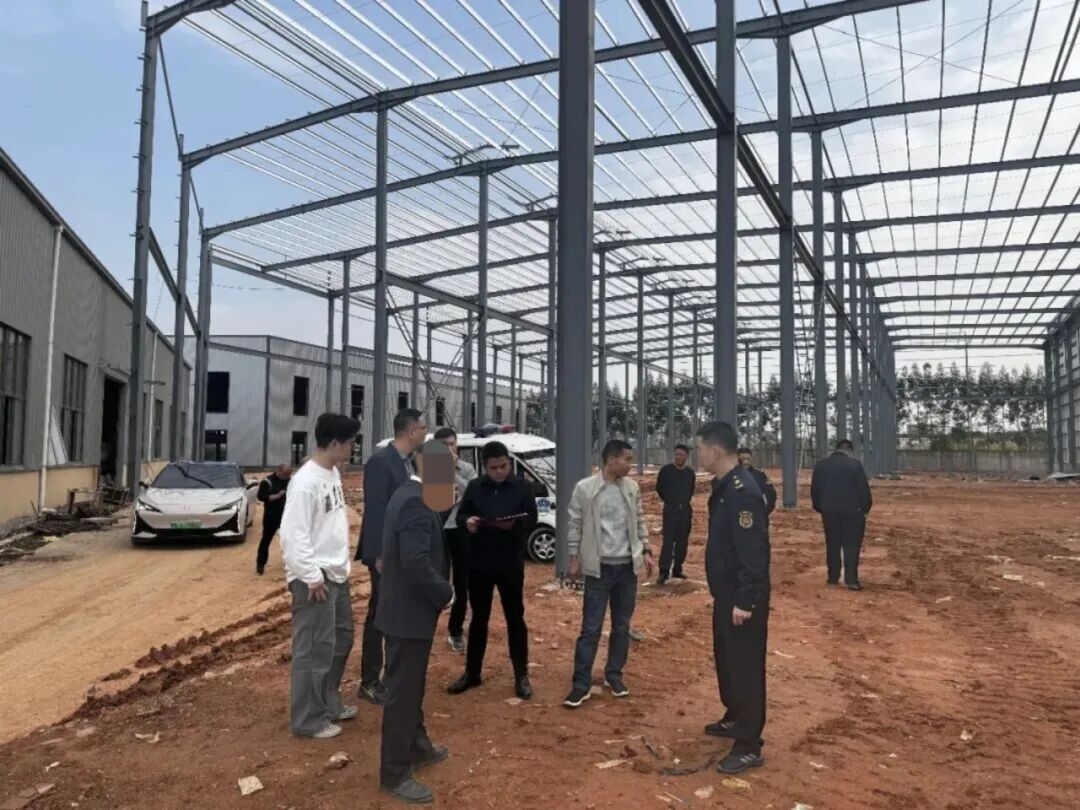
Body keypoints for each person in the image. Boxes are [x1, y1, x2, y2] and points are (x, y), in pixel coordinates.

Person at [377, 441, 455, 805]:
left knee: (412, 686)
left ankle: (418, 745)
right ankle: (394, 772)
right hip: (409, 614)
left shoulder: (409, 494)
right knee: (403, 693)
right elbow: (415, 562)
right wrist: (446, 593)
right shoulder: (415, 502)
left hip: (405, 612)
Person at [279, 413, 359, 740]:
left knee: (341, 638)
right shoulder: (305, 482)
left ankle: (327, 702)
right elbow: (292, 534)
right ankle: (308, 719)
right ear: (335, 443)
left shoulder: (333, 473)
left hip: (336, 572)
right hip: (315, 579)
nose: (353, 448)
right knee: (313, 649)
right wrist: (311, 576)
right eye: (351, 442)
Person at [697, 420, 770, 774]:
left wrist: (746, 599)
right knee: (727, 660)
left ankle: (749, 743)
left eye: (699, 449)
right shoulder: (725, 485)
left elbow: (753, 552)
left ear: (715, 451)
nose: (697, 455)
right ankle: (736, 715)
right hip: (726, 592)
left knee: (746, 667)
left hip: (741, 596)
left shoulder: (742, 491)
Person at [563, 439, 654, 709]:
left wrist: (646, 549)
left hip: (627, 569)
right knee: (591, 628)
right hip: (599, 569)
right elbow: (575, 522)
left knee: (621, 626)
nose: (630, 464)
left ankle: (614, 675)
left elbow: (639, 519)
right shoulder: (585, 488)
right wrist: (573, 557)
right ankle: (581, 684)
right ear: (611, 459)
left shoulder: (631, 488)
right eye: (627, 459)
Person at [448, 441, 538, 700]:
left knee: (515, 618)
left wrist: (514, 526)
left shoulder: (522, 486)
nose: (499, 471)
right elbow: (462, 515)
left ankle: (521, 675)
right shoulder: (476, 487)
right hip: (479, 562)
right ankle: (472, 673)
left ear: (509, 463)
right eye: (494, 468)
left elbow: (531, 517)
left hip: (509, 562)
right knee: (478, 618)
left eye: (503, 466)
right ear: (484, 467)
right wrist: (468, 522)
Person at [356, 408, 428, 706]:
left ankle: (391, 674)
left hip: (403, 551)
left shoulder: (409, 462)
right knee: (380, 615)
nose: (425, 433)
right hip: (385, 554)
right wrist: (378, 555)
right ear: (411, 432)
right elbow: (376, 511)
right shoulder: (381, 462)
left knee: (396, 614)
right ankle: (370, 681)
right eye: (423, 428)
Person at [433, 427, 477, 653]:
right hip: (436, 530)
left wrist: (451, 472)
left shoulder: (466, 468)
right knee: (435, 578)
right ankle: (426, 625)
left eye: (452, 444)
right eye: (444, 446)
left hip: (458, 529)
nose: (449, 449)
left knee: (462, 583)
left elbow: (473, 493)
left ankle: (455, 631)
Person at [811, 439, 873, 591]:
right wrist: (865, 509)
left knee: (832, 544)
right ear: (849, 451)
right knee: (851, 545)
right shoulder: (855, 465)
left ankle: (833, 578)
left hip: (829, 511)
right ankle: (851, 580)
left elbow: (815, 489)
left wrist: (820, 507)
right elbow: (863, 489)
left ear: (836, 449)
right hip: (853, 511)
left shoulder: (821, 465)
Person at [656, 444, 696, 584]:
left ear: (686, 456)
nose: (678, 457)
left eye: (681, 455)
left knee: (682, 541)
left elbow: (691, 490)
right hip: (670, 510)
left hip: (685, 510)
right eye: (676, 454)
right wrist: (670, 501)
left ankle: (677, 569)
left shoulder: (690, 473)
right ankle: (663, 571)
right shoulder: (666, 471)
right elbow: (659, 488)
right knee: (668, 541)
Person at [255, 463, 292, 575]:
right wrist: (278, 495)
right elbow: (261, 497)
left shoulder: (291, 481)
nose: (286, 477)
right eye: (285, 474)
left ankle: (290, 564)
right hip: (271, 516)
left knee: (289, 541)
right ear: (278, 471)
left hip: (287, 517)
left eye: (288, 475)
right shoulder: (267, 482)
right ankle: (260, 565)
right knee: (266, 540)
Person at [737, 448, 778, 517]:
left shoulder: (759, 475)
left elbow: (771, 494)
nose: (746, 462)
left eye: (748, 459)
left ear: (751, 458)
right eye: (743, 459)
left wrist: (766, 511)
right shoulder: (729, 475)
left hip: (755, 514)